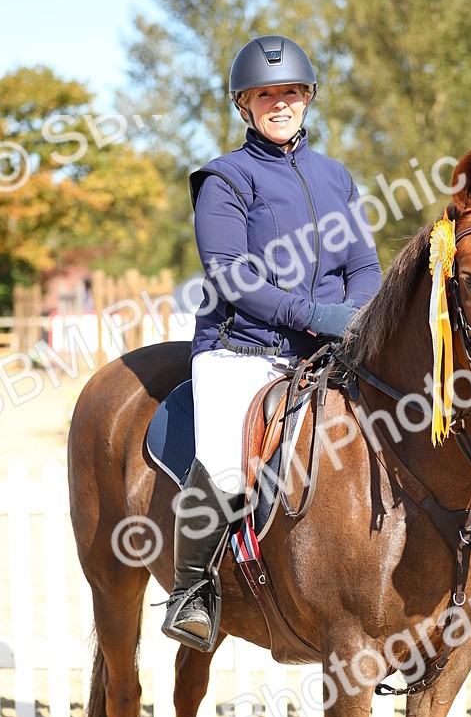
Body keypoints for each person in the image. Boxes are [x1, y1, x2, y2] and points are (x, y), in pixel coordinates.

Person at [162, 34, 382, 648]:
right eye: (265, 95)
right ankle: (191, 591)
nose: (279, 104)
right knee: (228, 467)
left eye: (290, 92)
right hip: (241, 350)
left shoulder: (336, 178)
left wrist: (358, 317)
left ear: (307, 98)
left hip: (326, 349)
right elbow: (231, 274)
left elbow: (365, 266)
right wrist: (316, 315)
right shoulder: (224, 178)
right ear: (244, 105)